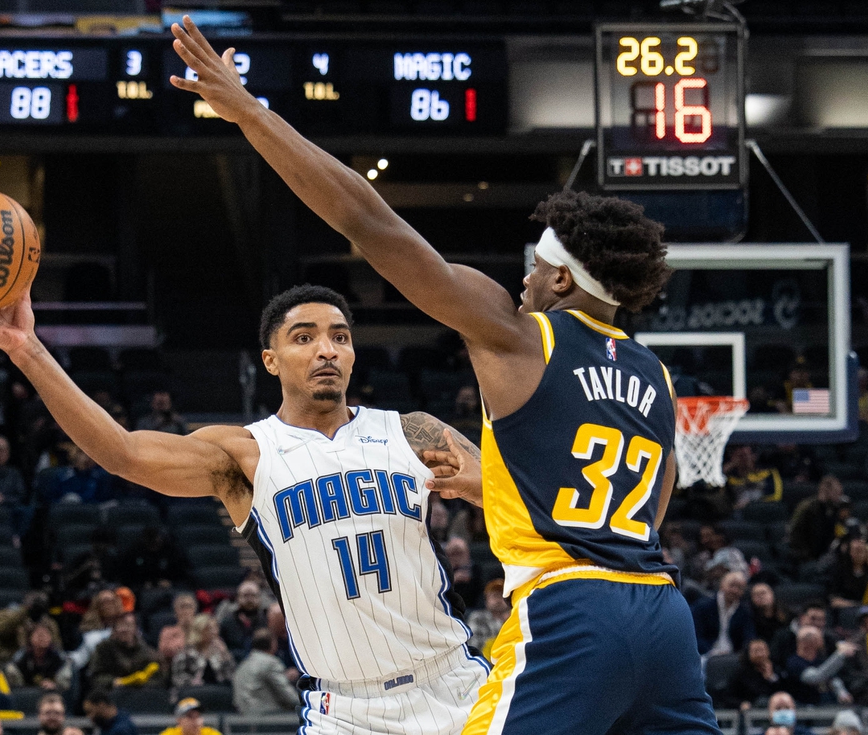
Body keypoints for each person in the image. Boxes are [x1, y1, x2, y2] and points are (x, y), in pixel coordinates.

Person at [167, 18, 714, 734]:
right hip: (663, 618)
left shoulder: (520, 333)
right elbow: (652, 500)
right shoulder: (654, 376)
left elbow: (368, 221)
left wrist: (250, 112)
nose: (521, 279)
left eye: (532, 267)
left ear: (557, 275)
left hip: (572, 612)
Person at [0, 256, 489, 733]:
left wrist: (479, 486)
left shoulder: (412, 431)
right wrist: (26, 348)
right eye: (305, 338)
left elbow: (524, 505)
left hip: (455, 685)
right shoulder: (245, 454)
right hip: (346, 709)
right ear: (270, 361)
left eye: (339, 336)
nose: (327, 349)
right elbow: (123, 453)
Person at [233, 629, 301, 714]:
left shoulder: (243, 665)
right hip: (267, 717)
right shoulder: (271, 663)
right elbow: (290, 697)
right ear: (273, 644)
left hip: (243, 716)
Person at [89, 612, 161, 693]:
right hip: (112, 693)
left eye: (128, 625)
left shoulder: (147, 650)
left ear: (136, 629)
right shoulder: (103, 648)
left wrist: (144, 682)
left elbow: (159, 677)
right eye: (120, 625)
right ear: (114, 629)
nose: (124, 629)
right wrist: (116, 682)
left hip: (141, 694)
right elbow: (95, 676)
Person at [691, 571, 756, 657]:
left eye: (740, 588)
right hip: (705, 655)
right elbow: (695, 635)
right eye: (732, 585)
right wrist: (710, 652)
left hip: (733, 657)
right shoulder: (703, 606)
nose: (735, 590)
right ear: (722, 585)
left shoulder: (744, 612)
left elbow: (748, 638)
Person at [785, 625, 855, 705]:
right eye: (819, 638)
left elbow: (833, 678)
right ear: (809, 642)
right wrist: (840, 655)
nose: (822, 640)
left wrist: (842, 692)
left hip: (829, 704)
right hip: (806, 707)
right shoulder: (794, 662)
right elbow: (816, 677)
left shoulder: (820, 659)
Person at [0, 591, 61, 664]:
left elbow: (57, 645)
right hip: (12, 658)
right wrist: (25, 611)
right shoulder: (9, 616)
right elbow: (0, 630)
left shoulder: (48, 622)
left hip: (44, 660)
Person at [790, 475, 847, 562]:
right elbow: (795, 534)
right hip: (804, 555)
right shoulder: (808, 508)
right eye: (836, 493)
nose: (839, 496)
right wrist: (806, 556)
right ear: (826, 490)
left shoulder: (835, 509)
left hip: (824, 555)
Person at [170, 614, 235, 690]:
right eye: (208, 628)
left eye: (215, 627)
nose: (214, 632)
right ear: (199, 631)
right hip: (192, 692)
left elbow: (231, 676)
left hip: (217, 691)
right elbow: (178, 680)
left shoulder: (220, 652)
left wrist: (225, 654)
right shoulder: (186, 653)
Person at [3, 622, 72, 692]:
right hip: (26, 692)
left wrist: (54, 685)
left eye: (46, 634)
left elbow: (65, 684)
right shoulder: (21, 656)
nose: (42, 638)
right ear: (30, 638)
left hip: (52, 693)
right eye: (39, 635)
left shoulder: (59, 656)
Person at [217, 581, 266, 663]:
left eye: (253, 595)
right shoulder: (227, 622)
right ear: (238, 598)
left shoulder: (266, 620)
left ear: (259, 598)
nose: (249, 599)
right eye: (245, 596)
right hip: (234, 663)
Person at [726, 639, 781, 710]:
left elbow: (785, 693)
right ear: (748, 653)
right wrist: (741, 704)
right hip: (749, 712)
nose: (760, 654)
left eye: (762, 650)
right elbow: (728, 696)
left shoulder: (777, 669)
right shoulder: (740, 672)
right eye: (756, 651)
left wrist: (771, 678)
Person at [466, 579, 510, 657]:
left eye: (502, 596)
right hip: (484, 664)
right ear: (486, 599)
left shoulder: (514, 618)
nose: (498, 600)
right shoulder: (478, 617)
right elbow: (474, 646)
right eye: (495, 595)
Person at [830, 535, 868, 608]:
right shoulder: (840, 572)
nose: (861, 554)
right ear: (849, 552)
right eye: (857, 550)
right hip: (845, 609)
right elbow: (835, 599)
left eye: (863, 550)